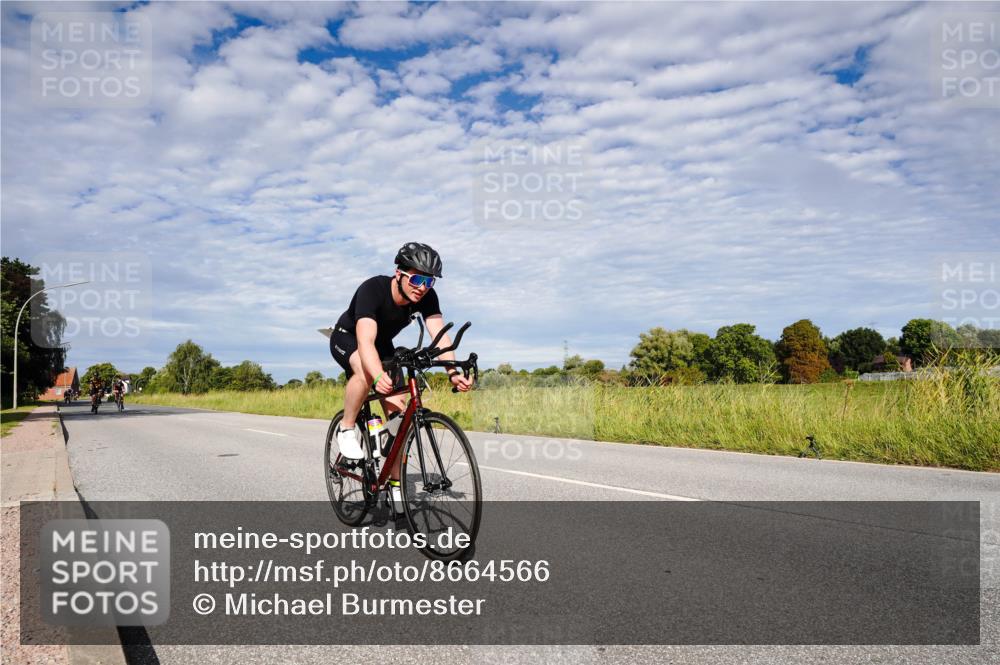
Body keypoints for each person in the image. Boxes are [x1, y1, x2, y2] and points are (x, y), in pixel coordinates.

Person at [329, 242, 473, 513]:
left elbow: (440, 338)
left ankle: (395, 487)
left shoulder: (428, 297)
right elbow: (365, 341)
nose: (423, 287)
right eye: (417, 278)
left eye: (429, 281)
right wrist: (377, 375)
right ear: (399, 274)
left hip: (382, 345)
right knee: (364, 368)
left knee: (399, 421)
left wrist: (453, 373)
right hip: (348, 337)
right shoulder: (373, 289)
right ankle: (347, 428)